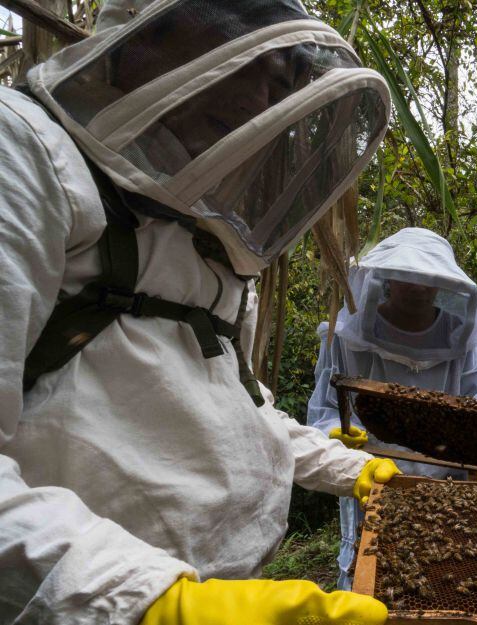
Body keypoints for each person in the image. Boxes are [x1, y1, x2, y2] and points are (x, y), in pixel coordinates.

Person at [0, 1, 401, 623]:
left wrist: (355, 469)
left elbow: (235, 406)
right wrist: (153, 604)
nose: (264, 95)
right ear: (144, 35)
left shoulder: (216, 241)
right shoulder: (22, 153)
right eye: (249, 57)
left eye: (285, 79)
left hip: (204, 581)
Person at [307, 226, 477, 589]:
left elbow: (475, 408)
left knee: (443, 576)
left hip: (443, 486)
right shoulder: (346, 335)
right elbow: (323, 410)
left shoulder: (459, 337)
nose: (418, 287)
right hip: (368, 479)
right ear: (386, 278)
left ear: (443, 283)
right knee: (369, 580)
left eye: (427, 279)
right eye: (406, 277)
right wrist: (334, 432)